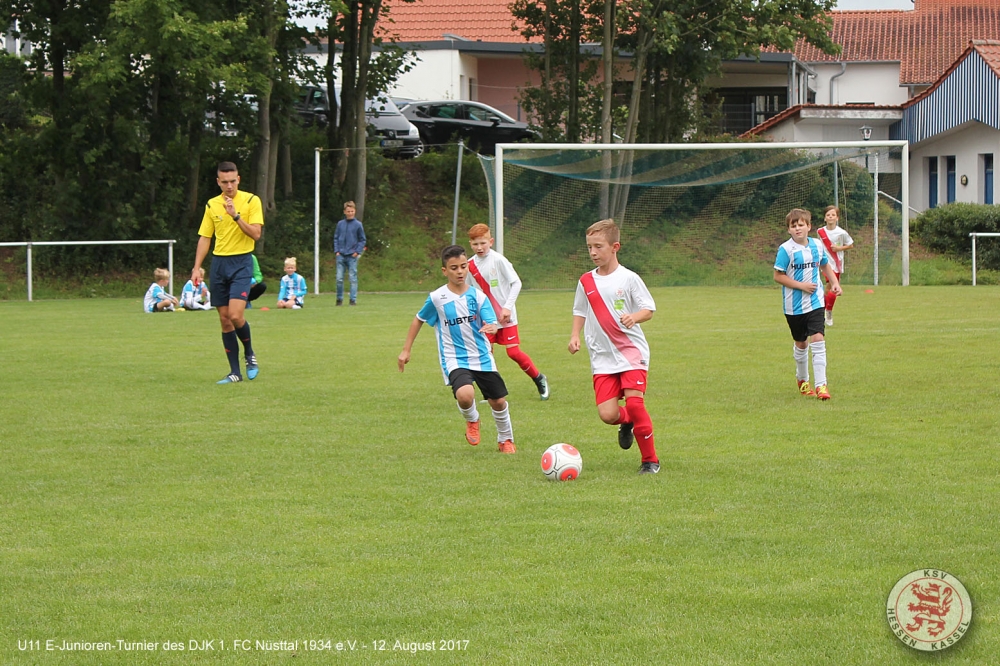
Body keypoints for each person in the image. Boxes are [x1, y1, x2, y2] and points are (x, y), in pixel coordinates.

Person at [398, 245, 517, 454]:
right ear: (445, 271)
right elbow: (418, 319)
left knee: (498, 401)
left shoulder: (478, 297)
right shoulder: (437, 298)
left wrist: (493, 326)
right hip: (454, 358)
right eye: (454, 268)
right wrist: (406, 350)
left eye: (463, 266)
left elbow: (492, 321)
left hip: (482, 356)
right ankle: (472, 420)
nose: (460, 271)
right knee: (465, 394)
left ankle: (505, 439)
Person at [568, 219, 660, 475]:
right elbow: (579, 309)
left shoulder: (629, 278)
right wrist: (575, 335)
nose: (593, 252)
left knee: (635, 404)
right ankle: (627, 422)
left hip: (631, 351)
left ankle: (650, 460)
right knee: (608, 415)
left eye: (598, 246)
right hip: (602, 357)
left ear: (615, 247)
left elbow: (648, 308)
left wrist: (634, 317)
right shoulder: (586, 281)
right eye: (589, 247)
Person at [191, 161, 264, 384]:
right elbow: (205, 237)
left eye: (233, 181)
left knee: (235, 315)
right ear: (218, 182)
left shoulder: (252, 200)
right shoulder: (212, 205)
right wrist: (196, 267)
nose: (229, 186)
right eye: (225, 182)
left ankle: (250, 354)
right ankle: (235, 373)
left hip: (242, 262)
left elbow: (256, 234)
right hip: (219, 264)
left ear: (238, 179)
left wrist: (236, 216)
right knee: (224, 320)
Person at [466, 223, 549, 400]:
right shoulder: (470, 265)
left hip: (505, 315)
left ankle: (539, 378)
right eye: (475, 244)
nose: (479, 247)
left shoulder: (498, 260)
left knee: (513, 352)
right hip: (486, 318)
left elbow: (516, 283)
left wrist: (507, 307)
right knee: (485, 353)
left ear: (491, 241)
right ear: (470, 244)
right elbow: (470, 290)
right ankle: (492, 392)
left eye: (483, 243)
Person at [774, 208, 842, 401]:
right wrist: (801, 286)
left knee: (818, 338)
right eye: (793, 226)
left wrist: (834, 283)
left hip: (815, 301)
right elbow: (778, 276)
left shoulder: (817, 245)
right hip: (793, 306)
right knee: (801, 343)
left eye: (801, 225)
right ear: (788, 230)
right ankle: (802, 380)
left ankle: (821, 385)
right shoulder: (786, 250)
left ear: (809, 226)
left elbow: (824, 264)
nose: (797, 229)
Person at [816, 205, 853, 326]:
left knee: (829, 288)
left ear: (837, 218)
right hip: (825, 263)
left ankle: (826, 310)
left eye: (833, 215)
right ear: (825, 218)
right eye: (828, 215)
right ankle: (827, 312)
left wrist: (839, 248)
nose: (830, 217)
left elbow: (850, 245)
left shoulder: (841, 232)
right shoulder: (820, 232)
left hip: (837, 262)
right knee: (830, 285)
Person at [334, 200, 366, 306]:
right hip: (341, 255)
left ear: (355, 211)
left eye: (352, 211)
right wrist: (337, 251)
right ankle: (339, 299)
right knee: (339, 278)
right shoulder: (340, 224)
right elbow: (336, 238)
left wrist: (357, 251)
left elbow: (362, 239)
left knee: (352, 278)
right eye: (348, 211)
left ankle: (353, 300)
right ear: (345, 212)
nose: (350, 213)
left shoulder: (358, 225)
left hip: (352, 255)